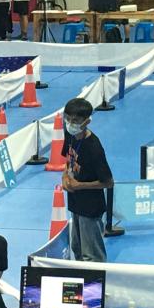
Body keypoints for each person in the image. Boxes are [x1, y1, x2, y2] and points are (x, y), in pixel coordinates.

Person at [60, 98, 113, 262]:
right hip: (75, 202)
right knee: (77, 247)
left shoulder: (94, 148)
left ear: (87, 121)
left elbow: (108, 182)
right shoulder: (70, 134)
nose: (70, 123)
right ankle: (81, 277)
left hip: (91, 207)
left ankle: (97, 278)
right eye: (67, 118)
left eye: (75, 120)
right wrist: (64, 176)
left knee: (91, 255)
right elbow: (68, 158)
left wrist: (79, 185)